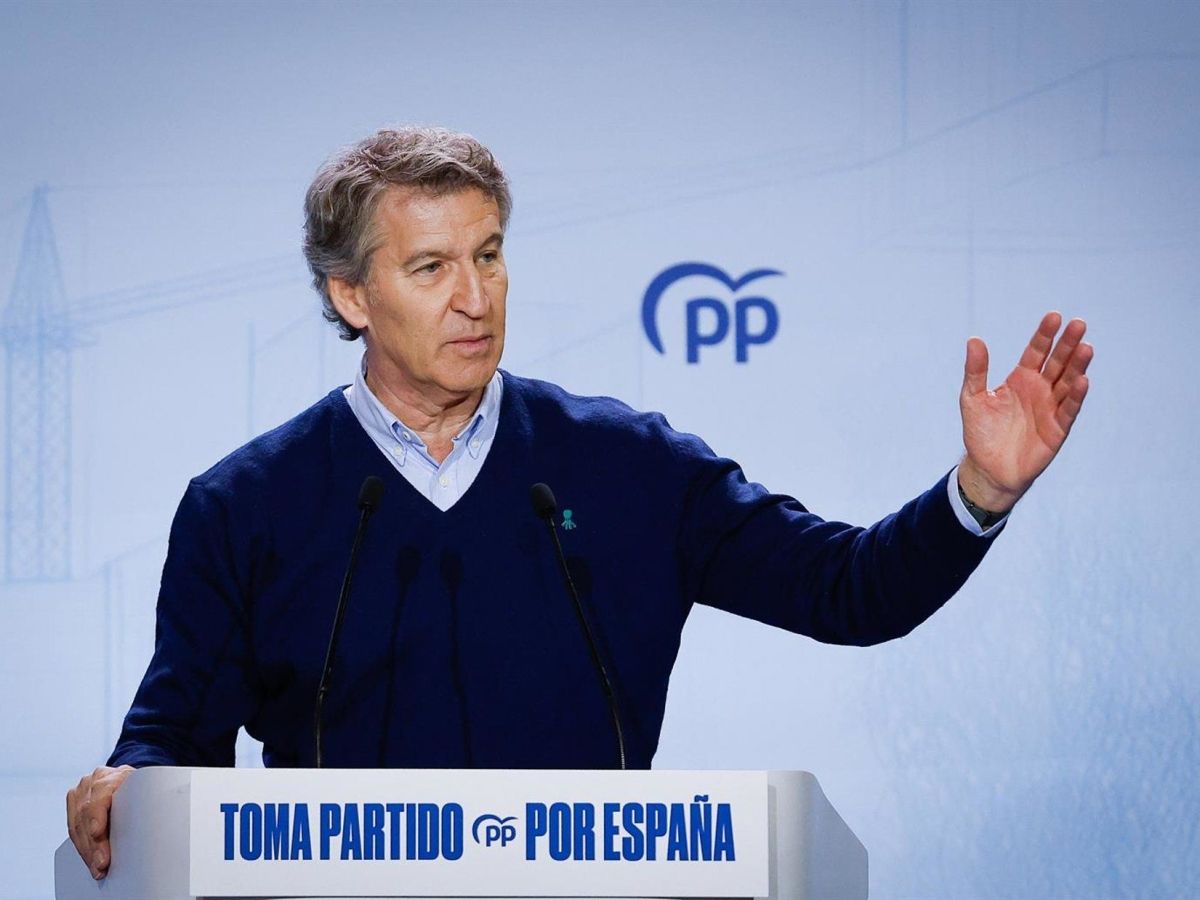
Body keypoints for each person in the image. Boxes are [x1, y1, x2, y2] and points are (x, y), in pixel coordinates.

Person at [66, 126, 1093, 880]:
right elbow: (173, 746)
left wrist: (981, 492)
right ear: (351, 296)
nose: (475, 298)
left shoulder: (626, 466)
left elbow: (848, 588)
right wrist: (130, 783)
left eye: (489, 254)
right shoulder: (246, 505)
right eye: (431, 268)